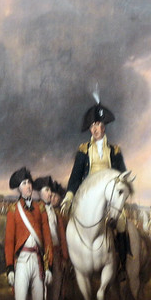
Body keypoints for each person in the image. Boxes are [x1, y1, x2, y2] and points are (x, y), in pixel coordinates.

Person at [60, 97, 129, 277]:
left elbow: (122, 175)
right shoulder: (83, 150)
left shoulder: (114, 151)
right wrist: (68, 196)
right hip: (87, 197)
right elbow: (75, 177)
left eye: (97, 124)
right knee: (70, 223)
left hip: (109, 197)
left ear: (104, 126)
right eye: (92, 126)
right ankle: (71, 262)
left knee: (121, 224)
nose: (95, 129)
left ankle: (121, 263)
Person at [5, 167, 53, 300]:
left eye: (29, 182)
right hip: (22, 263)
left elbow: (48, 238)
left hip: (38, 262)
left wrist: (49, 266)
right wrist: (9, 268)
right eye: (24, 183)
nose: (28, 185)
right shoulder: (13, 211)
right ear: (18, 188)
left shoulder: (41, 209)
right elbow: (8, 242)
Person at [34, 175, 69, 300]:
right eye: (47, 191)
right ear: (40, 193)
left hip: (57, 258)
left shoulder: (55, 214)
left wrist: (64, 257)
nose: (50, 194)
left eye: (50, 191)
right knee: (42, 298)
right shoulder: (35, 211)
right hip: (43, 258)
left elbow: (61, 238)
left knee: (56, 298)